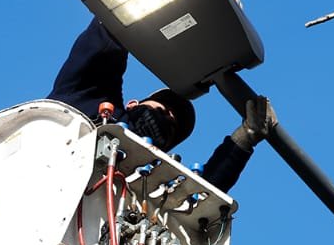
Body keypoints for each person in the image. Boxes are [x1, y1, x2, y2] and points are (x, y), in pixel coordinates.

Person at [47, 18, 273, 192]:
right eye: (163, 107)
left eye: (174, 126)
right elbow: (100, 55)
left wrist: (245, 138)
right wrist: (122, 13)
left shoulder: (151, 184)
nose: (169, 116)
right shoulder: (88, 101)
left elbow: (200, 201)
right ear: (133, 104)